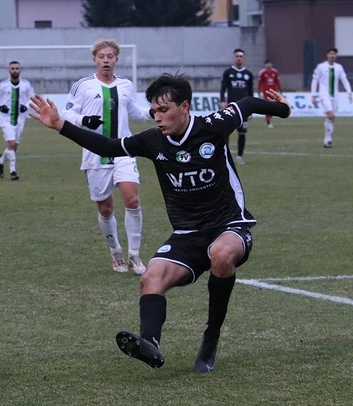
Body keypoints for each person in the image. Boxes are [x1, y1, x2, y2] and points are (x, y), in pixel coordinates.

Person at [29, 73, 291, 374]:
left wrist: (283, 109)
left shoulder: (214, 126)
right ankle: (149, 342)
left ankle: (211, 338)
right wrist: (60, 125)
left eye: (163, 110)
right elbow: (108, 146)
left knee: (221, 254)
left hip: (230, 225)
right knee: (150, 279)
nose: (157, 117)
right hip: (187, 234)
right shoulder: (153, 141)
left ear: (185, 106)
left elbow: (246, 103)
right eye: (153, 111)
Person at [61, 39, 151, 275]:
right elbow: (67, 113)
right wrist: (84, 121)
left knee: (132, 200)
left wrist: (157, 110)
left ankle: (135, 255)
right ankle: (116, 253)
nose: (106, 60)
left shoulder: (126, 85)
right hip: (95, 154)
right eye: (102, 56)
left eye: (110, 56)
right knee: (105, 209)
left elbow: (137, 112)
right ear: (95, 60)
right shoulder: (83, 85)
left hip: (123, 149)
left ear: (116, 60)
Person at [0, 61, 35, 181]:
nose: (15, 70)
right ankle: (13, 171)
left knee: (14, 147)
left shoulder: (26, 84)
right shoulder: (3, 85)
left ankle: (0, 162)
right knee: (11, 144)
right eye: (13, 68)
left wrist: (26, 106)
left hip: (20, 119)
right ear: (9, 70)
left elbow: (32, 98)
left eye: (17, 68)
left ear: (20, 69)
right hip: (6, 119)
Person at [311, 47, 353, 149]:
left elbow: (344, 80)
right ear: (327, 55)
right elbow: (315, 80)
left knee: (332, 118)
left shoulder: (339, 67)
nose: (332, 55)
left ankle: (328, 140)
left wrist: (349, 92)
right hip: (324, 95)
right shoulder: (320, 67)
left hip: (335, 96)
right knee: (330, 115)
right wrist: (313, 95)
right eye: (330, 53)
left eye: (334, 54)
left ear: (336, 56)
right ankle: (328, 140)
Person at [220, 48, 254, 165]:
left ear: (244, 58)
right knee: (227, 133)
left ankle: (239, 156)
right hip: (231, 107)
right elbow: (223, 88)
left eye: (241, 56)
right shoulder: (228, 72)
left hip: (244, 108)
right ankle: (225, 156)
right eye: (237, 56)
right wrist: (222, 101)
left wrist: (252, 109)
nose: (239, 58)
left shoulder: (248, 74)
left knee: (242, 132)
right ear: (233, 58)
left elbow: (250, 92)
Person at [257, 59, 282, 128]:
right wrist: (259, 91)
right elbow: (260, 83)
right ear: (265, 65)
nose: (269, 65)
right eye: (267, 64)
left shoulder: (275, 72)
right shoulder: (262, 72)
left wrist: (280, 90)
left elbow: (277, 81)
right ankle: (268, 122)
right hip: (266, 93)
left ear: (272, 64)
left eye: (270, 64)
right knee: (267, 107)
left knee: (273, 107)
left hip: (273, 92)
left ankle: (269, 120)